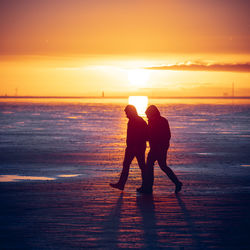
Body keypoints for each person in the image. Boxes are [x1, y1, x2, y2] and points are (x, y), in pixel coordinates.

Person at [138, 105, 182, 194]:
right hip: (159, 147)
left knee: (151, 167)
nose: (147, 116)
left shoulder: (157, 121)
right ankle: (177, 183)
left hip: (157, 148)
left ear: (151, 113)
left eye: (147, 114)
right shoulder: (160, 120)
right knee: (161, 166)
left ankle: (148, 188)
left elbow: (159, 135)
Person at [110, 105, 147, 191]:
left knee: (141, 166)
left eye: (127, 113)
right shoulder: (133, 121)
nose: (126, 115)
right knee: (127, 165)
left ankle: (145, 186)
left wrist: (134, 146)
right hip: (132, 147)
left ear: (131, 112)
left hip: (136, 147)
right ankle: (121, 184)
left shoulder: (138, 121)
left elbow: (142, 135)